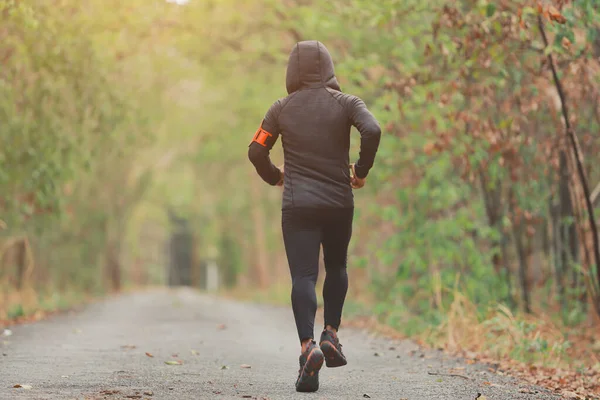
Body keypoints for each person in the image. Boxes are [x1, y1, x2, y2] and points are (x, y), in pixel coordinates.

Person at [248, 40, 381, 392]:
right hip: (339, 201)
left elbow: (256, 150)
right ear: (329, 68)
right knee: (337, 266)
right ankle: (332, 334)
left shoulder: (280, 109)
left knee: (304, 276)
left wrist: (276, 176)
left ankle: (308, 348)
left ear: (291, 71)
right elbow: (373, 129)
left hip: (298, 205)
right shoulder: (348, 102)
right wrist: (361, 170)